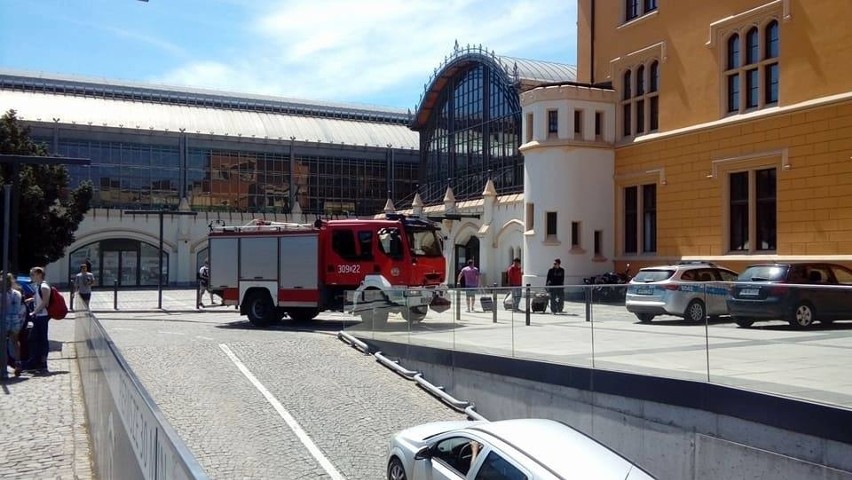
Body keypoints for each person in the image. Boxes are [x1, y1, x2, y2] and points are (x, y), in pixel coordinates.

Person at [24, 267, 51, 375]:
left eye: (33, 274)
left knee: (43, 339)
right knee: (33, 339)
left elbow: (45, 302)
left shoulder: (44, 286)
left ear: (39, 274)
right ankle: (35, 362)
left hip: (42, 317)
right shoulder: (38, 286)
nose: (31, 276)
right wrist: (30, 300)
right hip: (38, 317)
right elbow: (37, 297)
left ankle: (43, 364)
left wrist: (34, 312)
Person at [3, 273, 26, 377]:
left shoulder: (2, 294)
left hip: (4, 320)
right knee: (15, 342)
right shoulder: (17, 293)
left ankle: (3, 365)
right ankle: (18, 363)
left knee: (2, 343)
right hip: (15, 319)